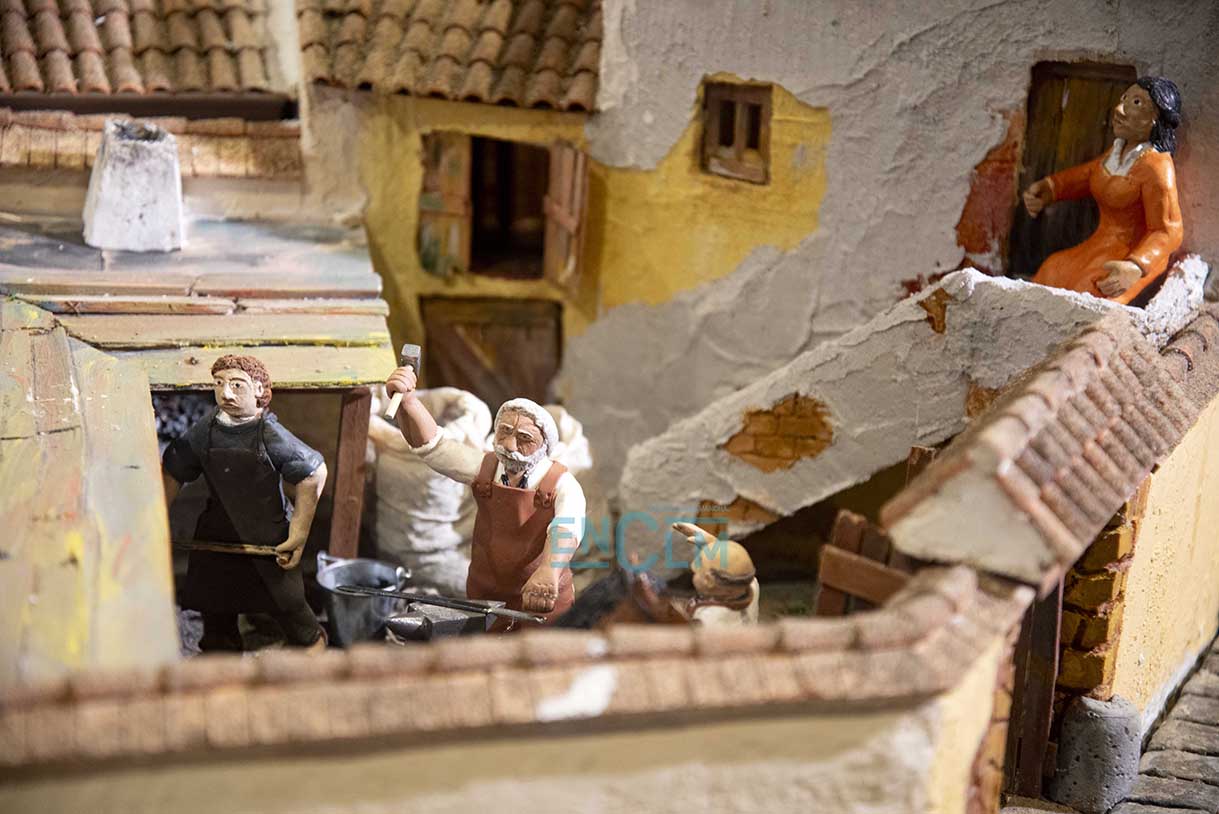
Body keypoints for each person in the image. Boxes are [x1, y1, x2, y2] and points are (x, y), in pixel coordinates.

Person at [385, 365, 585, 625]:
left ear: (544, 445)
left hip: (540, 597)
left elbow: (568, 527)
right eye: (505, 431)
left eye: (524, 438)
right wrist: (409, 403)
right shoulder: (486, 468)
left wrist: (549, 570)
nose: (510, 445)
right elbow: (434, 448)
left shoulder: (562, 484)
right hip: (487, 595)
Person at [162, 355, 327, 651]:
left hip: (267, 534)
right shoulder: (207, 429)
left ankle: (310, 645)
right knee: (214, 600)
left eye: (237, 385)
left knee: (287, 600)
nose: (226, 393)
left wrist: (298, 533)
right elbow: (174, 466)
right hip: (218, 530)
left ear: (260, 390)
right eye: (219, 384)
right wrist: (157, 522)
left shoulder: (268, 433)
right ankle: (220, 650)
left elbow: (313, 473)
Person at [1022, 76, 1184, 305]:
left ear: (1156, 118)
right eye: (1124, 99)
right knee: (1052, 270)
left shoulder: (1156, 167)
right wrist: (1052, 187)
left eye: (1136, 103)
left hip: (1129, 257)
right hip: (1098, 245)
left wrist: (1137, 266)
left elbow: (1168, 231)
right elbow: (1090, 174)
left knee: (1087, 293)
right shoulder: (1118, 151)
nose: (1119, 109)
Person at [671, 522, 759, 625]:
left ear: (708, 581)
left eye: (697, 570)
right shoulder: (751, 584)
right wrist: (712, 544)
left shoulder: (708, 618)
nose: (693, 568)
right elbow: (735, 564)